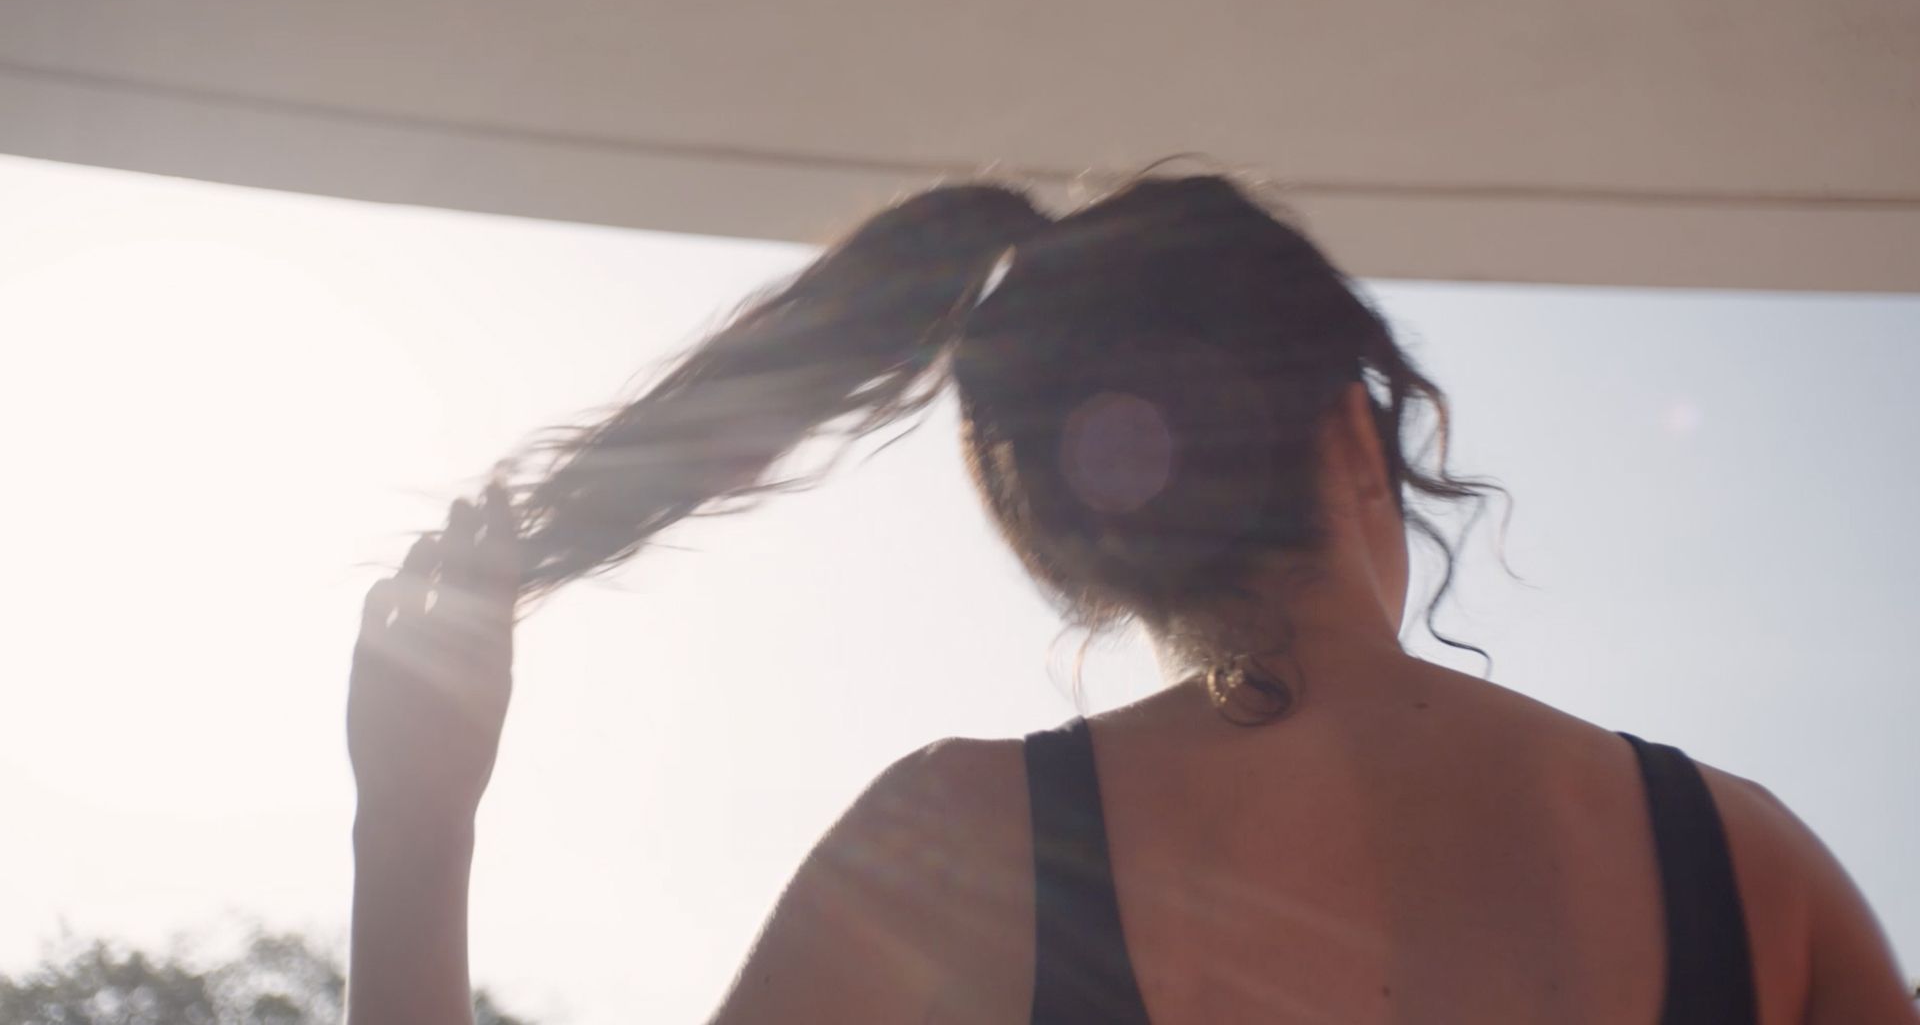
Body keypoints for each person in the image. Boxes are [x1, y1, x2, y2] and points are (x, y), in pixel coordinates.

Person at [344, 170, 1916, 1024]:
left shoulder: (952, 859)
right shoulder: (1748, 868)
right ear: (1359, 426)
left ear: (1064, 544)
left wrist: (412, 835)